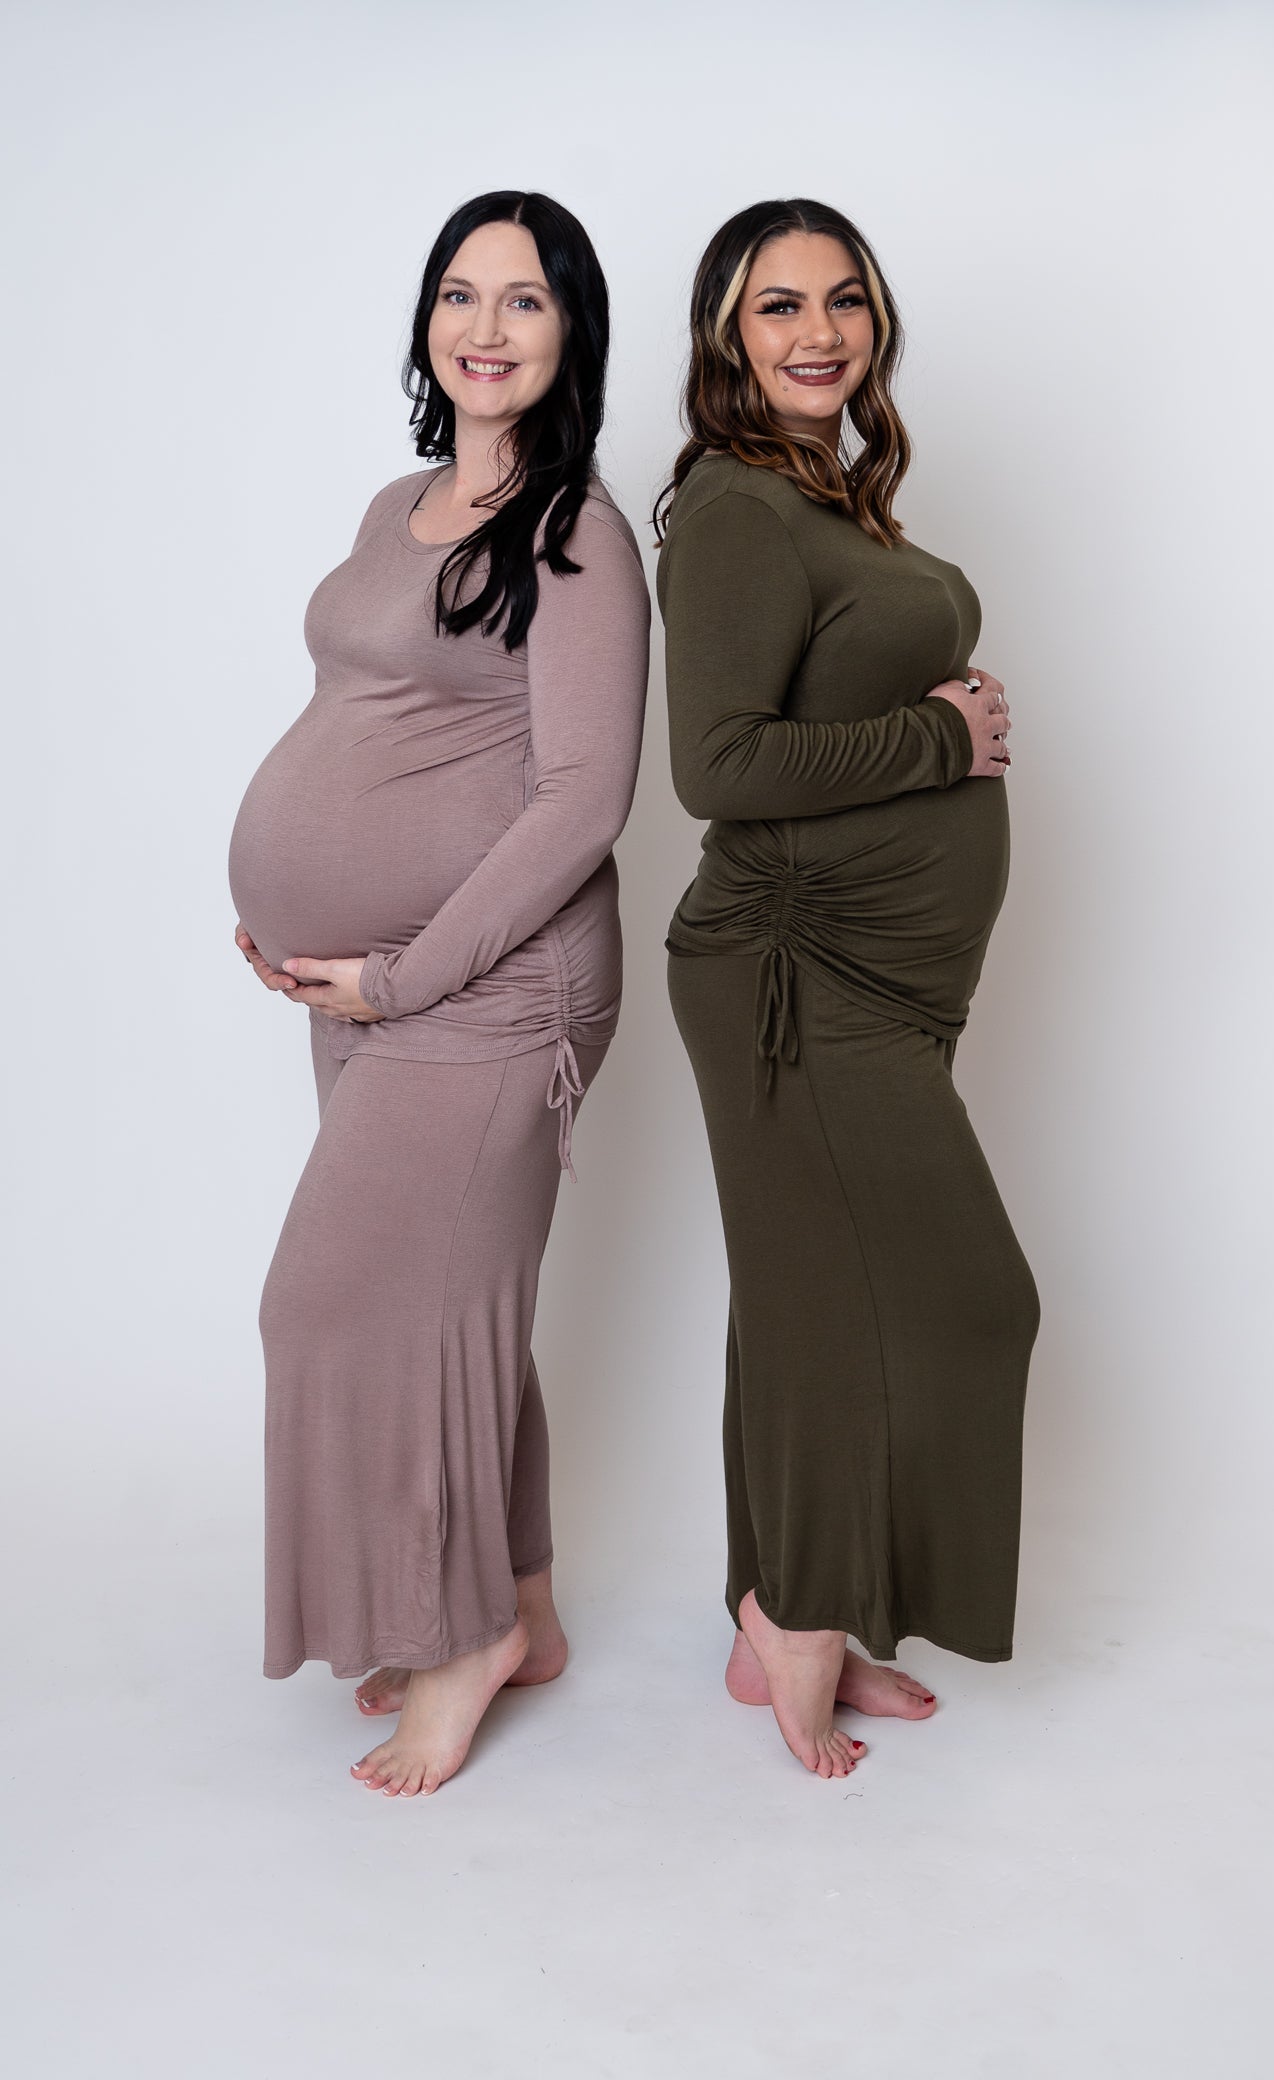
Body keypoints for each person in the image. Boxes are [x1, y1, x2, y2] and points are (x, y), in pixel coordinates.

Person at [229, 190, 649, 1797]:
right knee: (442, 1303)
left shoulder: (575, 536)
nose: (485, 327)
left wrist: (400, 969)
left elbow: (582, 801)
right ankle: (519, 1604)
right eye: (459, 293)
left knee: (330, 1304)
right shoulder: (393, 505)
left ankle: (454, 1635)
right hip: (365, 990)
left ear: (570, 334)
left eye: (525, 300)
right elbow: (370, 725)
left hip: (492, 991)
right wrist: (294, 915)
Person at [657, 198, 1040, 1781]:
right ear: (726, 338)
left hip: (873, 976)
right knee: (964, 1299)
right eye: (778, 306)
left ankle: (774, 1610)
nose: (818, 332)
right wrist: (938, 737)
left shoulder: (833, 496)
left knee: (803, 1307)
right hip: (791, 977)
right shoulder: (739, 509)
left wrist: (933, 733)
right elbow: (715, 766)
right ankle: (801, 1618)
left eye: (844, 300)